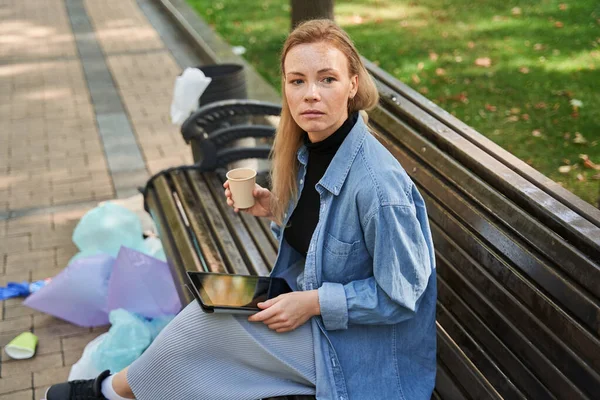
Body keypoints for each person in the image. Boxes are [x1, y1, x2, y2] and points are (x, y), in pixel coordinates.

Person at [46, 19, 436, 400]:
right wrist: (276, 213)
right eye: (296, 80)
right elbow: (331, 242)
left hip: (362, 354)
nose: (310, 94)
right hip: (319, 318)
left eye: (327, 79)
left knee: (204, 329)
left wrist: (313, 302)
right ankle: (114, 391)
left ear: (352, 84)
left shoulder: (379, 186)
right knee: (208, 315)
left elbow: (402, 296)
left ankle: (108, 392)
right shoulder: (314, 150)